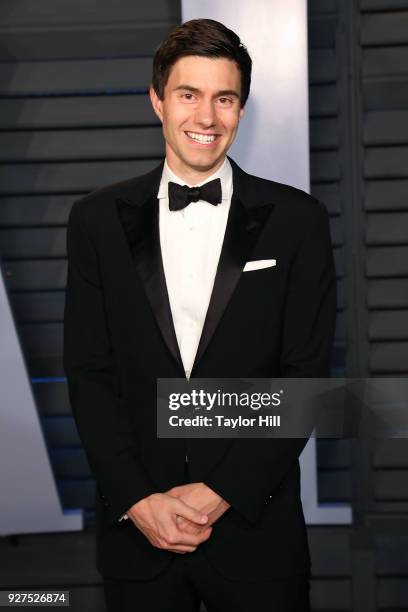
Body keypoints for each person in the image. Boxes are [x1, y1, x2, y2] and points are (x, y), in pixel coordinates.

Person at [63, 18, 336, 612]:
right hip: (138, 538)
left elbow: (305, 375)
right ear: (157, 100)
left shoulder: (299, 221)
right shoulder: (95, 221)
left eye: (225, 98)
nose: (206, 118)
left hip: (257, 535)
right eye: (188, 95)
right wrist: (138, 501)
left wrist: (221, 492)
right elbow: (89, 373)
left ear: (241, 109)